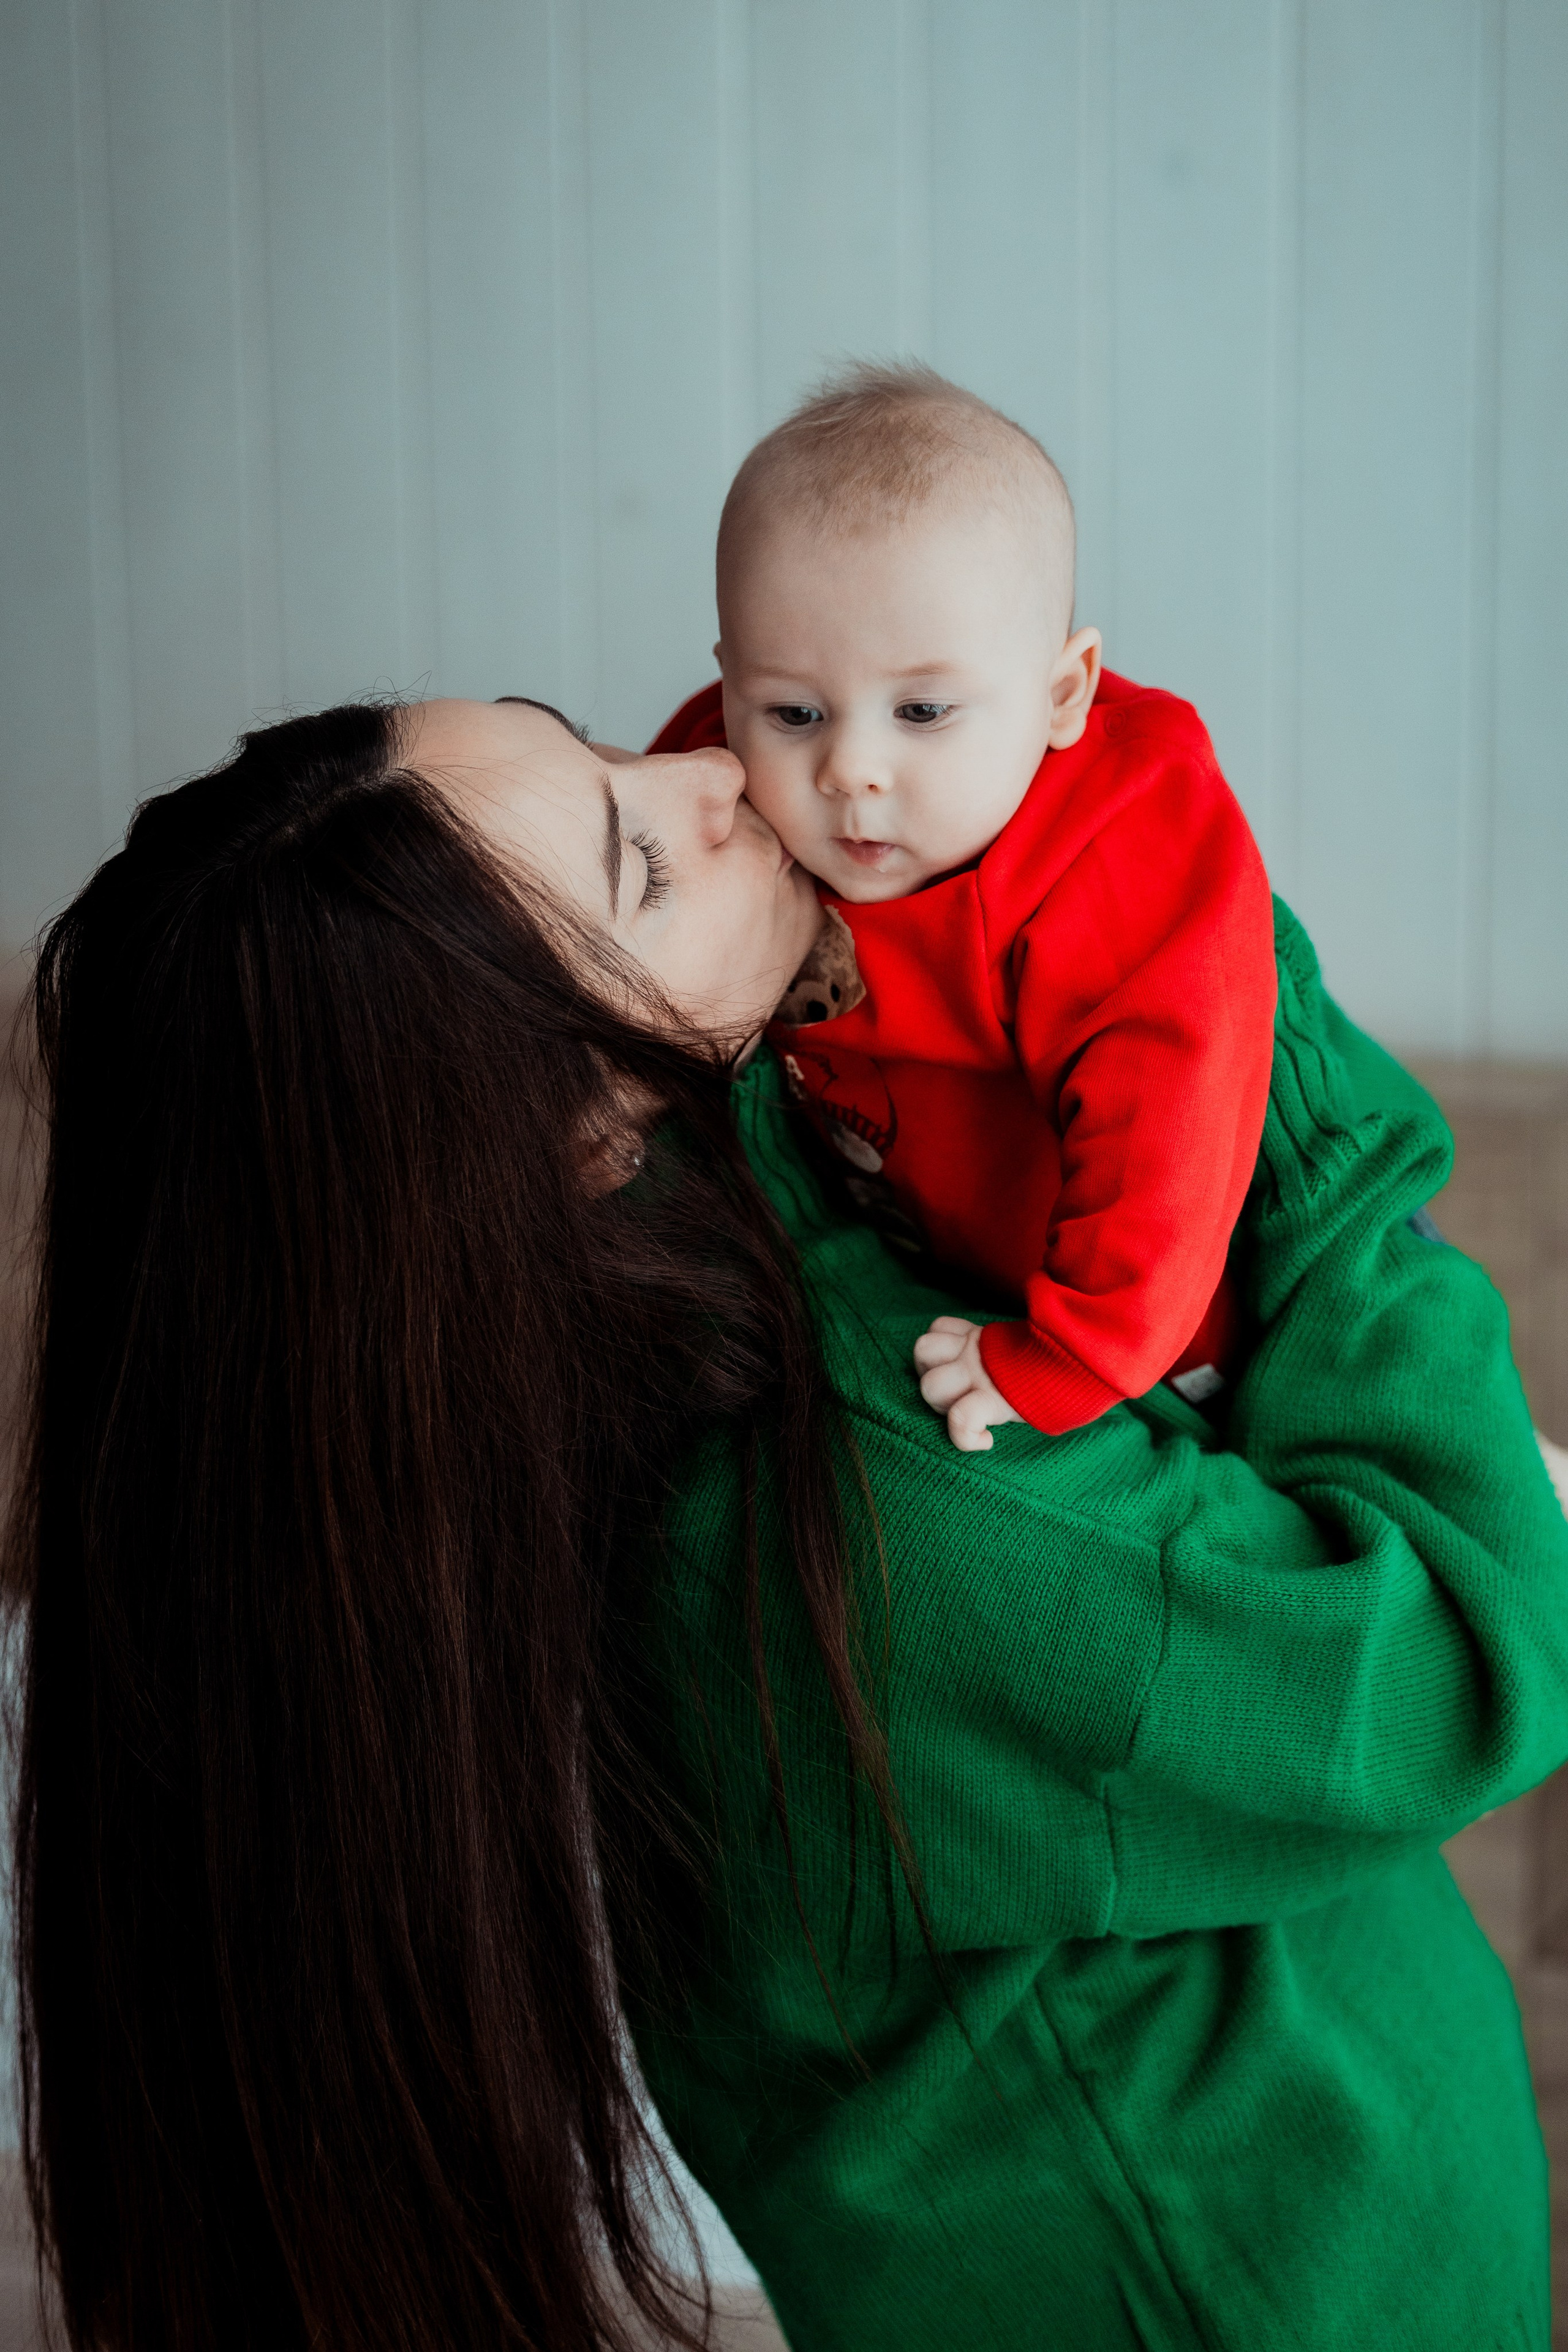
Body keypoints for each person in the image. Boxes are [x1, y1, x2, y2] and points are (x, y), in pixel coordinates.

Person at [9, 693, 1568, 2351]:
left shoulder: (504, 1381)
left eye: (608, 749)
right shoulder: (883, 1479)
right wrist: (1251, 1014)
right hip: (1270, 2281)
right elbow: (1479, 1648)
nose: (710, 778)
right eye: (640, 867)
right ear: (549, 1141)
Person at [652, 361, 1276, 1452]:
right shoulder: (715, 779)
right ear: (731, 679)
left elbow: (1165, 1147)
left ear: (1062, 695)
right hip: (936, 1230)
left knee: (1298, 1423)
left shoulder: (1125, 850)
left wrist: (1075, 1352)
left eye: (924, 709)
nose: (851, 768)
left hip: (1193, 1281)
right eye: (793, 709)